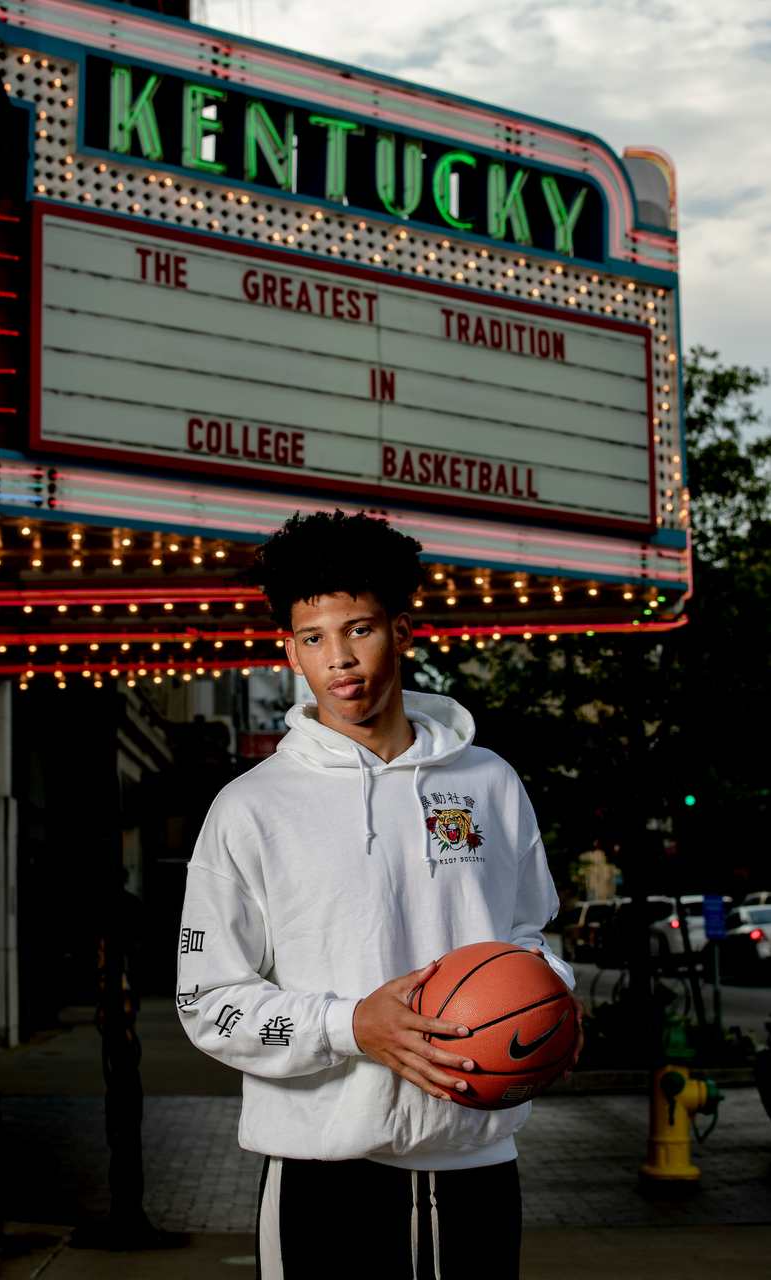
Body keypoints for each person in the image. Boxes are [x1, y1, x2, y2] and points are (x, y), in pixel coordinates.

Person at [177, 510, 582, 1280]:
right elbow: (208, 1000)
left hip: (476, 1156)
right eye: (312, 639)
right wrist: (348, 1025)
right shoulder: (250, 808)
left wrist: (550, 996)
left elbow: (528, 935)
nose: (339, 660)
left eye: (358, 629)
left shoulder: (488, 782)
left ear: (401, 628)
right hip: (323, 1163)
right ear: (289, 649)